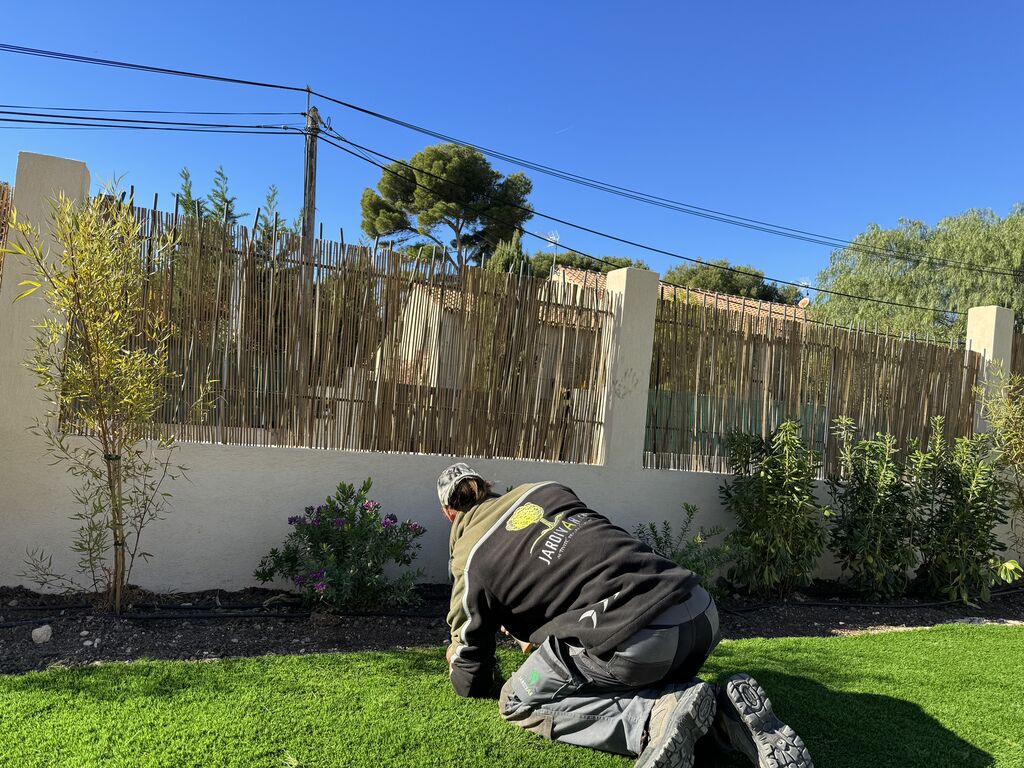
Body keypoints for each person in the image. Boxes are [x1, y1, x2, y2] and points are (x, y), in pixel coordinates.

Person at [438, 463, 814, 768]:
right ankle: (721, 718)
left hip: (642, 645)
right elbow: (579, 570)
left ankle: (652, 717)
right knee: (603, 651)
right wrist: (531, 633)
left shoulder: (469, 560)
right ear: (486, 487)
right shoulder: (548, 490)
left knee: (516, 699)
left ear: (449, 513)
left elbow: (472, 678)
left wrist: (457, 657)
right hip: (700, 612)